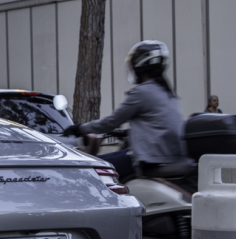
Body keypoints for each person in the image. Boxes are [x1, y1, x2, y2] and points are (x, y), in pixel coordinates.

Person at [62, 40, 186, 181]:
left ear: (139, 66)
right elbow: (159, 124)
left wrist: (79, 128)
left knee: (91, 168)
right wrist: (124, 132)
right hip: (168, 157)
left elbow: (110, 122)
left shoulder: (142, 92)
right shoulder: (168, 93)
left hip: (148, 159)